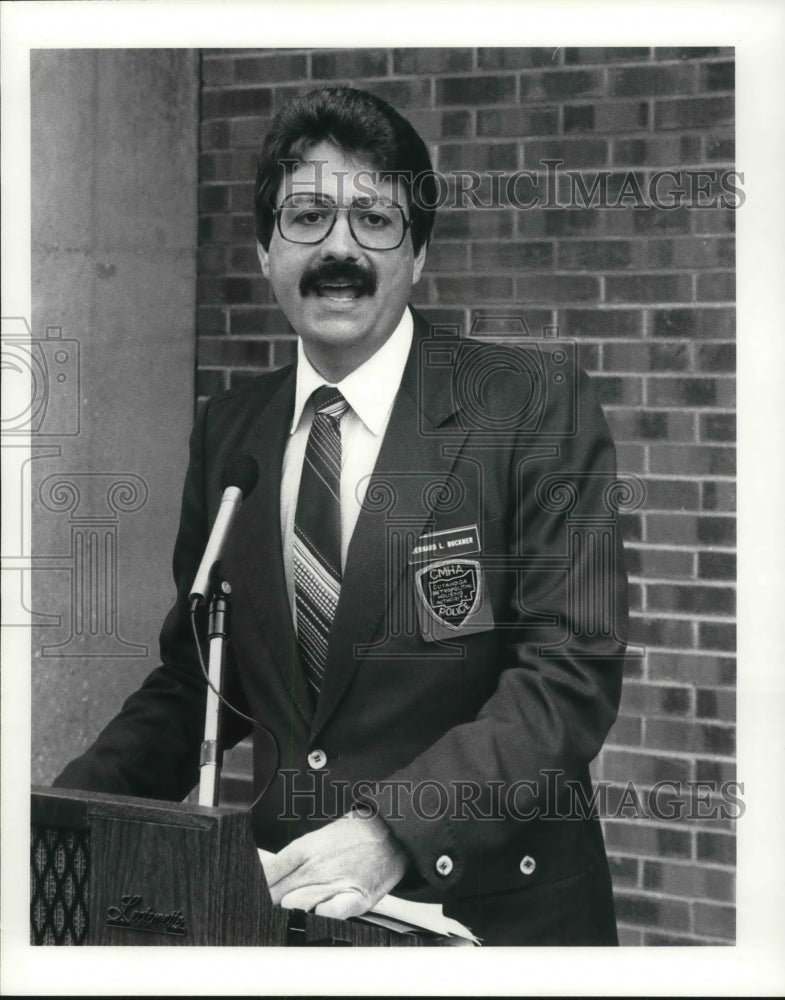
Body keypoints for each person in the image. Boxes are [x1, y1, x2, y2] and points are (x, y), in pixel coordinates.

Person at [54, 86, 629, 946]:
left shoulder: (533, 408)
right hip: (293, 920)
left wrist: (391, 830)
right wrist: (56, 818)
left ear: (418, 254)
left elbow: (567, 676)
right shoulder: (231, 431)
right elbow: (197, 683)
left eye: (374, 220)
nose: (339, 250)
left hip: (491, 924)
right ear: (264, 249)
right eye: (308, 216)